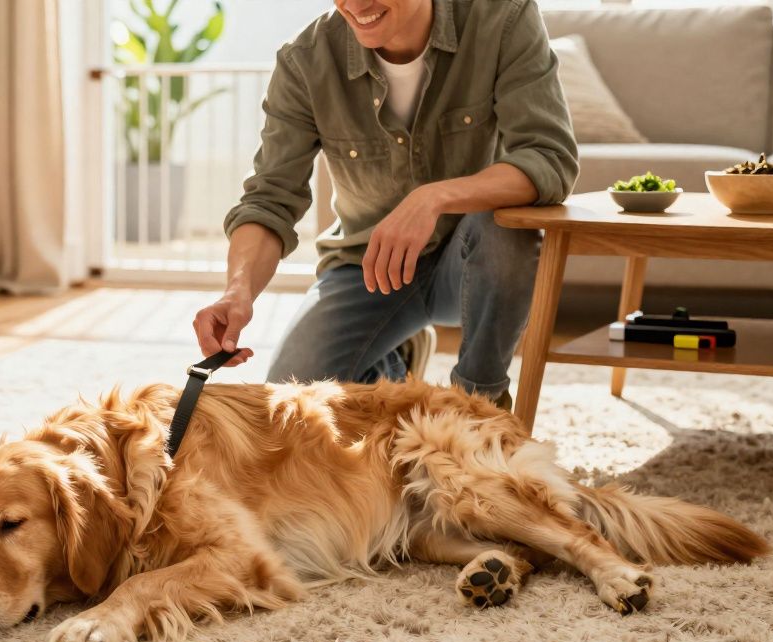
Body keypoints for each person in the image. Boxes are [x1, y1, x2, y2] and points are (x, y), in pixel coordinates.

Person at [192, 0, 578, 409]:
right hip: (366, 269)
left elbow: (548, 157)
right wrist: (238, 291)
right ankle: (394, 362)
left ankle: (479, 405)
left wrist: (432, 198)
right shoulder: (304, 61)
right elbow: (270, 199)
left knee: (507, 227)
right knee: (290, 409)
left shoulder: (502, 17)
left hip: (471, 263)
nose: (356, 5)